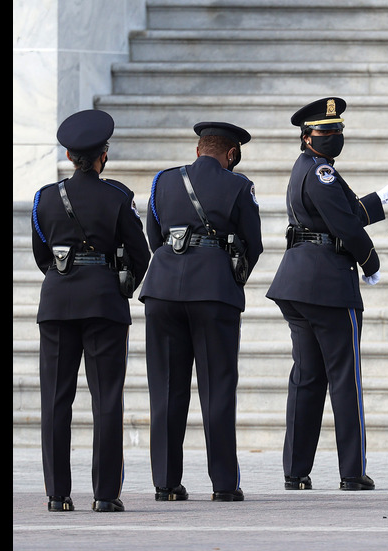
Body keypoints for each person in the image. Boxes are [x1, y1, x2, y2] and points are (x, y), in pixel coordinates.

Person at [266, 97, 388, 491]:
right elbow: (346, 226)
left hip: (297, 283)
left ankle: (296, 471)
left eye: (337, 131)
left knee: (307, 378)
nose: (333, 137)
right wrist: (371, 260)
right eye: (325, 132)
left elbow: (345, 212)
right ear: (306, 136)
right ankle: (352, 472)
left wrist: (381, 199)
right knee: (344, 379)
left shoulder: (308, 169)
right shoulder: (323, 173)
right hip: (328, 285)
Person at [32, 109, 150, 512]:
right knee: (107, 400)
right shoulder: (117, 197)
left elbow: (41, 256)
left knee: (55, 401)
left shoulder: (44, 198)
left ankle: (57, 495)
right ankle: (104, 495)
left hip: (57, 304)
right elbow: (141, 254)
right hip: (104, 304)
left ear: (69, 155)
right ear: (104, 155)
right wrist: (122, 285)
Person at [139, 121, 263, 502]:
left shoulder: (163, 181)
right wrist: (230, 276)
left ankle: (165, 483)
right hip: (213, 292)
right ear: (231, 154)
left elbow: (154, 236)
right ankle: (224, 484)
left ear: (197, 151)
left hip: (162, 292)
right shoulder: (239, 185)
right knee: (217, 389)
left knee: (166, 388)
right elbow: (253, 244)